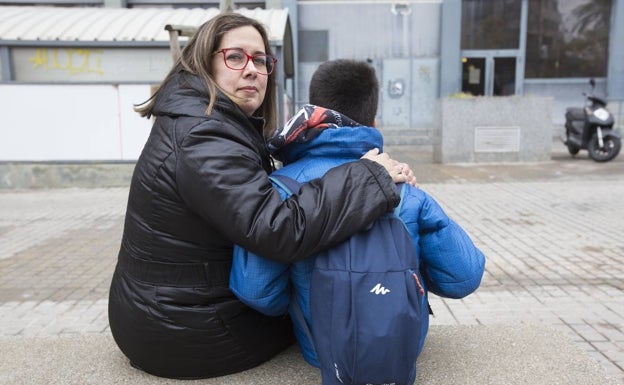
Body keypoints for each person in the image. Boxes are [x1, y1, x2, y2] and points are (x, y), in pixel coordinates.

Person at [107, 14, 417, 380]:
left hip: (161, 312)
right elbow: (277, 229)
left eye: (260, 60)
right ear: (203, 63)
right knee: (331, 318)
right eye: (235, 57)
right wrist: (368, 177)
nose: (252, 70)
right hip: (184, 331)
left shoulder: (202, 120)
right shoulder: (203, 137)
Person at [230, 59, 486, 371]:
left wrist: (306, 302)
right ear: (373, 122)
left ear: (312, 114)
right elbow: (464, 276)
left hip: (320, 352)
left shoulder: (279, 190)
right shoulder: (403, 186)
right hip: (403, 349)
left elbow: (255, 290)